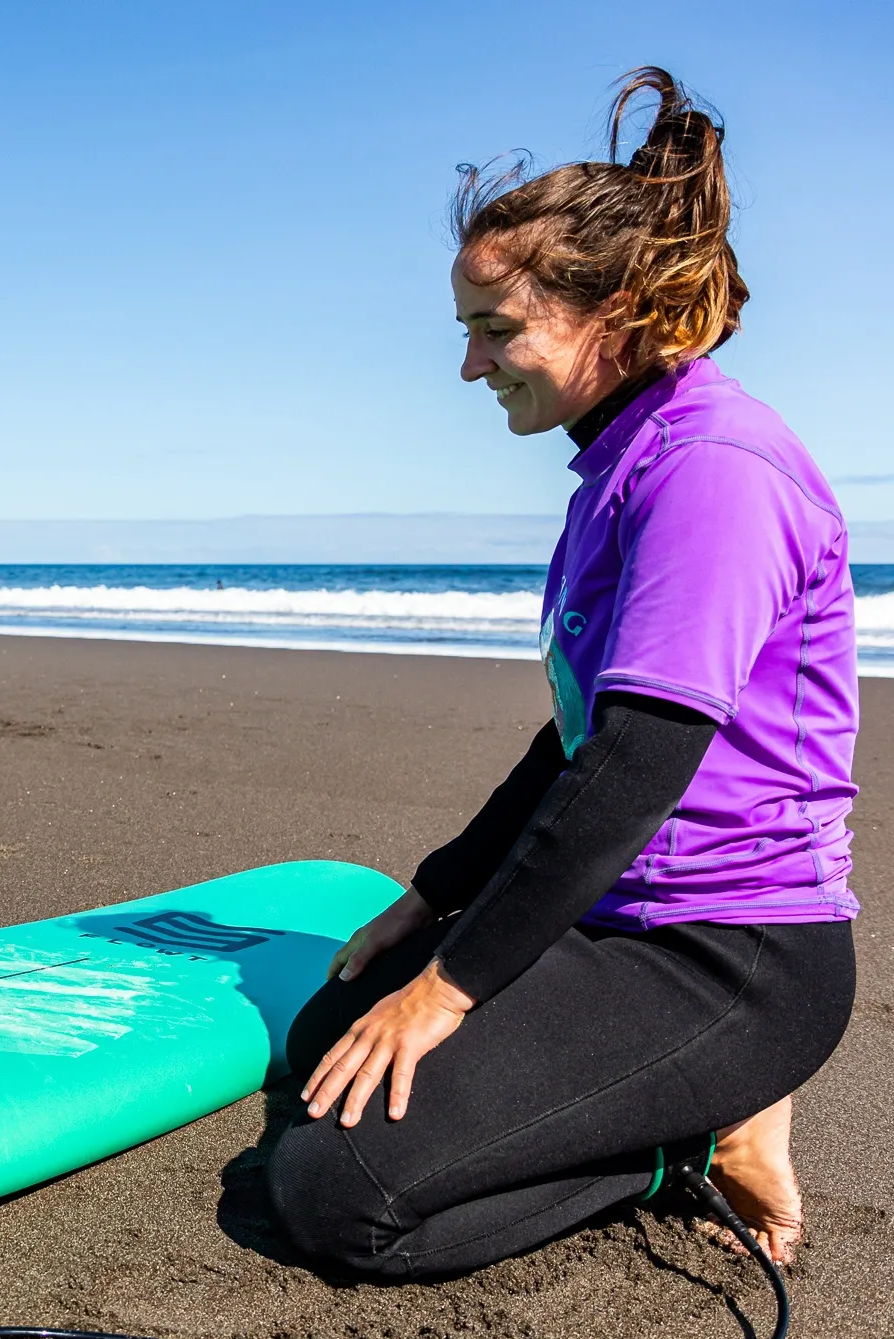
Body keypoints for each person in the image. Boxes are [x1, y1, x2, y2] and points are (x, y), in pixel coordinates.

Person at [268, 68, 856, 1277]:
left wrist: (453, 987)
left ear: (622, 308)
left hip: (731, 951)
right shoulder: (622, 463)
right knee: (328, 1030)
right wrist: (428, 907)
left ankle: (684, 1143)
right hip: (615, 917)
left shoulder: (714, 470)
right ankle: (633, 1106)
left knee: (338, 1191)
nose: (473, 370)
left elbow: (636, 764)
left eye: (498, 332)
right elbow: (571, 743)